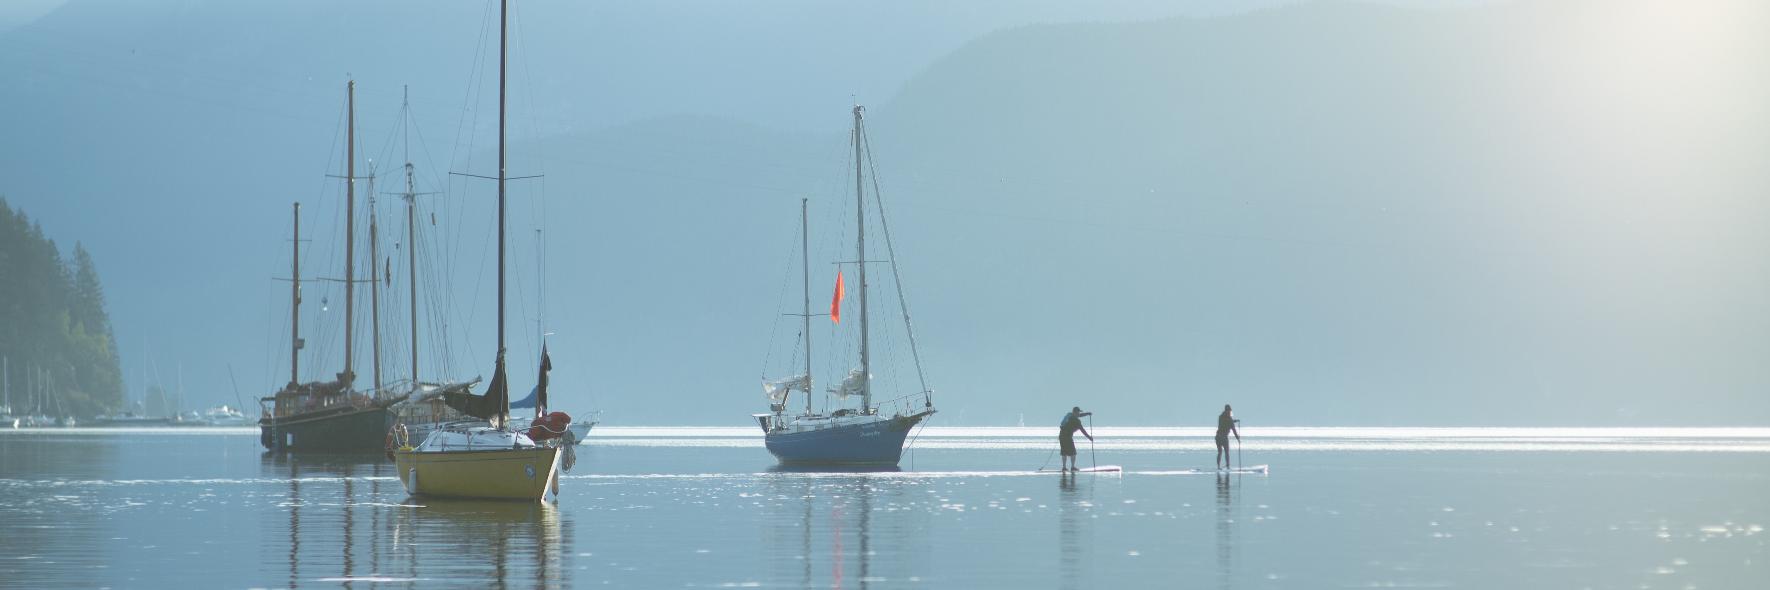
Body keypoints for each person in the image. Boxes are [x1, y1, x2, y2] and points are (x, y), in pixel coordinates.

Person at [1058, 406, 1093, 472]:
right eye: (1078, 412)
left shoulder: (1069, 415)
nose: (1078, 414)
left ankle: (1064, 468)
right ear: (1075, 412)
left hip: (1061, 436)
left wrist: (1087, 413)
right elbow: (1082, 430)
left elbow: (1080, 415)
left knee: (1064, 452)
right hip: (1067, 437)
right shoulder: (1076, 421)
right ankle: (1073, 467)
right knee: (1073, 452)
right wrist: (1089, 437)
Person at [1216, 404, 1240, 469]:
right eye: (1229, 411)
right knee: (1226, 452)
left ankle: (1218, 467)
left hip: (1217, 436)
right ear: (1228, 411)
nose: (1230, 412)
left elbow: (1226, 421)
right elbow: (1234, 430)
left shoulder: (1220, 417)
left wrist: (1234, 421)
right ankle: (1228, 466)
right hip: (1223, 437)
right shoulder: (1229, 420)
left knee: (1220, 452)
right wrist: (1238, 438)